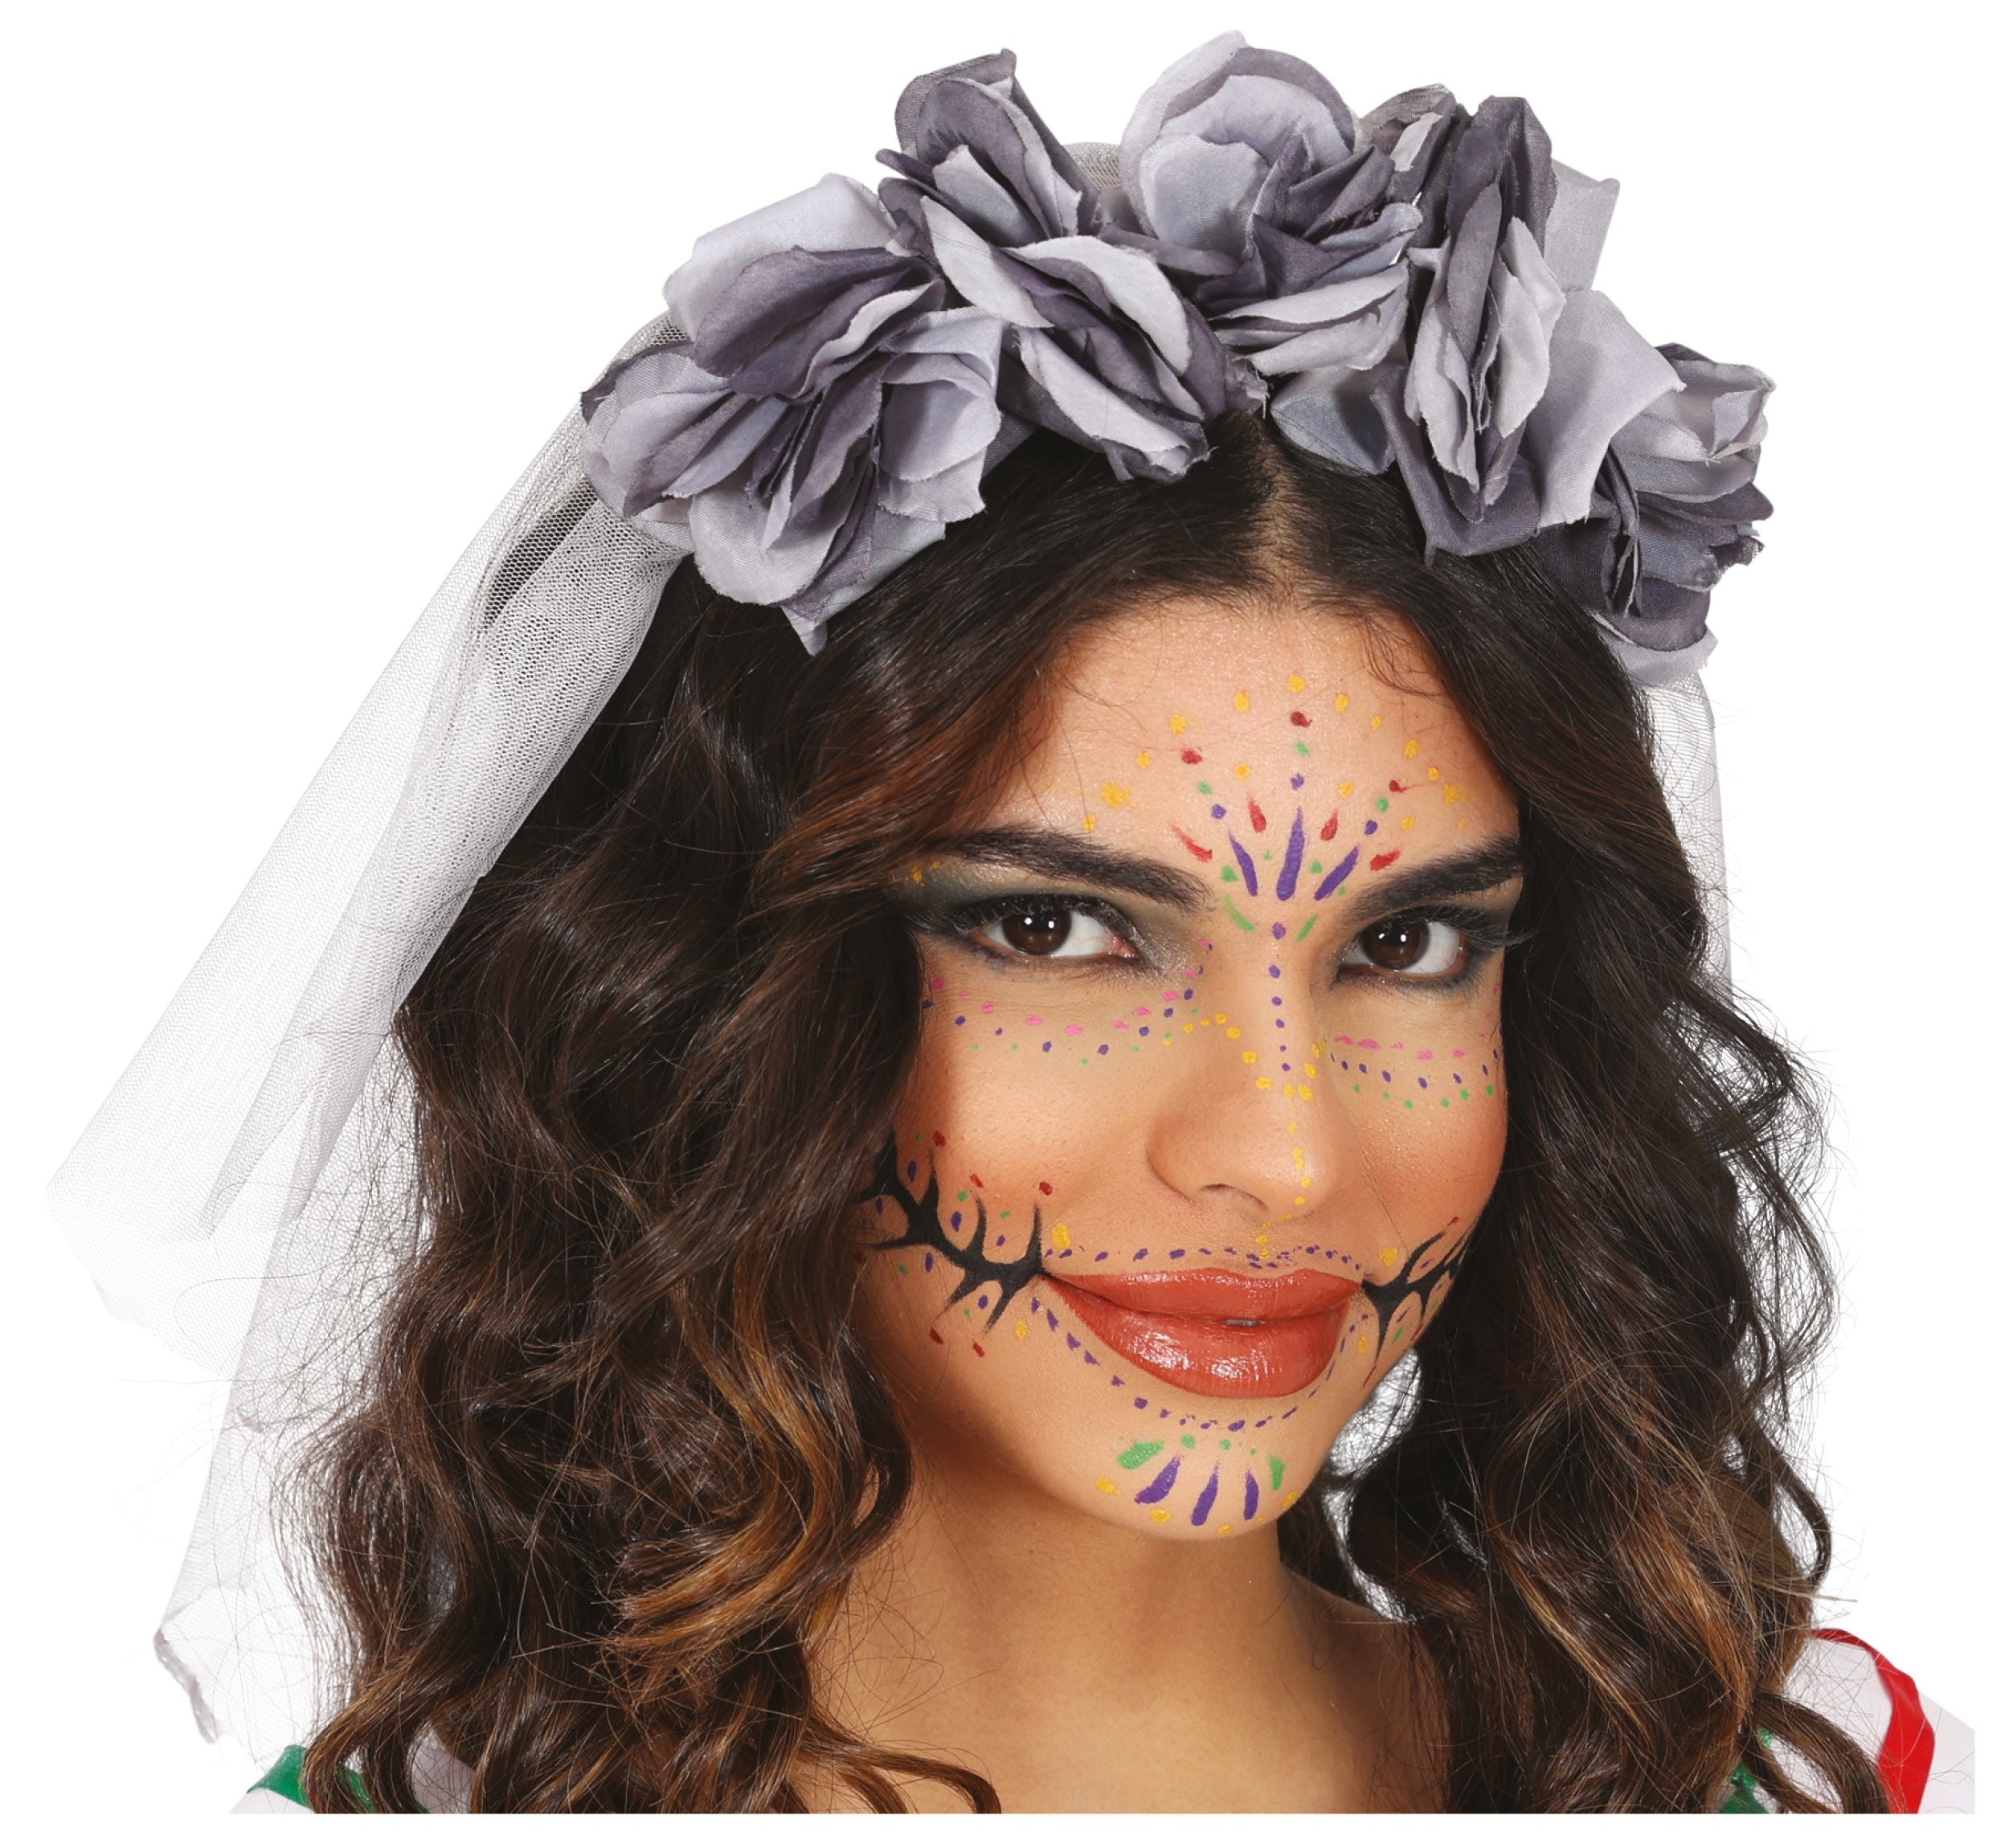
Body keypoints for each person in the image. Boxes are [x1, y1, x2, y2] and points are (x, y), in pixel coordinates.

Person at [54, 35, 1973, 1813]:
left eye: (1406, 948)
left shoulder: (1821, 1790)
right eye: (1057, 929)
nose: (1282, 1151)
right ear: (712, 990)